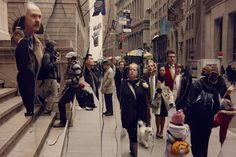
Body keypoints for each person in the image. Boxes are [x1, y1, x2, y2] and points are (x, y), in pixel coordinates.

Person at [15, 2, 43, 116]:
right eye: (33, 16)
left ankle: (30, 109)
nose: (37, 20)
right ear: (24, 18)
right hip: (25, 79)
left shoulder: (39, 43)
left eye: (39, 17)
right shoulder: (19, 42)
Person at [185, 69, 221, 157]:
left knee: (196, 145)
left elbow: (189, 103)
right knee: (204, 146)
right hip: (207, 122)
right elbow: (217, 107)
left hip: (195, 121)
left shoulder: (196, 84)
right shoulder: (214, 89)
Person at [120, 63, 150, 157]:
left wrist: (147, 89)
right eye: (130, 70)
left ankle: (134, 153)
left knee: (135, 135)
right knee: (131, 133)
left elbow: (148, 99)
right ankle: (132, 149)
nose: (132, 71)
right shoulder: (124, 83)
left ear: (138, 72)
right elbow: (121, 98)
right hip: (128, 113)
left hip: (139, 114)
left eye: (134, 70)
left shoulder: (143, 83)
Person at [53, 51, 82, 127]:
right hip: (70, 87)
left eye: (68, 59)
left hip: (73, 88)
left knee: (61, 103)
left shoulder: (76, 65)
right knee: (69, 105)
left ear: (72, 58)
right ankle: (67, 121)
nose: (67, 60)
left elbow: (78, 77)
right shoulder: (71, 65)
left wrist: (70, 81)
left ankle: (63, 122)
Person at [37, 40, 60, 114]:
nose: (54, 48)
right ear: (50, 47)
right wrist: (55, 63)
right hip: (49, 77)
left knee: (51, 92)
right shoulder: (47, 55)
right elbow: (47, 66)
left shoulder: (51, 54)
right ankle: (47, 108)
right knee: (54, 94)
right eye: (53, 46)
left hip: (52, 77)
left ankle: (41, 97)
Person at [152, 66, 174, 139]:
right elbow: (152, 88)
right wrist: (156, 91)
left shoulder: (167, 80)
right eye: (160, 70)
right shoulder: (155, 79)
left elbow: (170, 90)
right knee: (157, 115)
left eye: (163, 70)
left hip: (165, 100)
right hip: (157, 99)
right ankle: (157, 130)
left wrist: (171, 101)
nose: (162, 71)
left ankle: (162, 131)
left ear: (165, 71)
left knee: (163, 116)